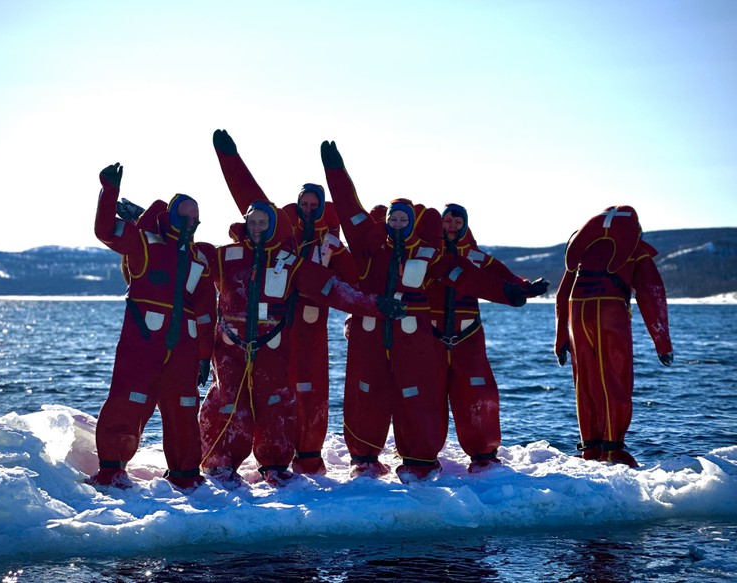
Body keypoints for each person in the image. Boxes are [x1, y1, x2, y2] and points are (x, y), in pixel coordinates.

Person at [320, 141, 529, 483]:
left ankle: (419, 460)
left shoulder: (428, 254)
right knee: (365, 392)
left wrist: (508, 292)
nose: (397, 222)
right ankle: (364, 458)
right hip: (370, 331)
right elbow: (347, 207)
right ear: (386, 221)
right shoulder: (369, 246)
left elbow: (465, 276)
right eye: (393, 218)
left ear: (412, 222)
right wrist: (335, 171)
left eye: (403, 218)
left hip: (414, 335)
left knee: (416, 395)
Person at [197, 198, 406, 488]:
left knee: (275, 402)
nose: (257, 228)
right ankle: (220, 465)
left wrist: (375, 305)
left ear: (273, 225)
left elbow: (331, 288)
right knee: (228, 402)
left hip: (271, 345)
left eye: (263, 223)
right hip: (229, 347)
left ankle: (274, 465)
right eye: (252, 222)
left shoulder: (288, 262)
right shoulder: (225, 256)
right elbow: (184, 259)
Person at [211, 130, 360, 475]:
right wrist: (229, 158)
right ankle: (271, 454)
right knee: (277, 390)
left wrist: (362, 303)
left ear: (321, 207)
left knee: (312, 389)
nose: (308, 209)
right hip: (278, 326)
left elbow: (351, 280)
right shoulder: (283, 232)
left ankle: (308, 455)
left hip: (313, 326)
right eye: (304, 204)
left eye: (314, 205)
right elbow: (250, 198)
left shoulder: (330, 242)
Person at [89, 163, 216, 491]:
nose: (189, 223)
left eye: (194, 218)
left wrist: (205, 355)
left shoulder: (199, 259)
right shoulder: (144, 243)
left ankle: (186, 474)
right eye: (184, 216)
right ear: (171, 216)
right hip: (142, 342)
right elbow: (105, 230)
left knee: (184, 408)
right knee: (127, 402)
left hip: (184, 349)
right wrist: (109, 192)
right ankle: (112, 470)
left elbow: (206, 312)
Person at [428, 203, 549, 473]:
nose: (452, 227)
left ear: (465, 225)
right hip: (431, 332)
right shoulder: (428, 252)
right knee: (427, 394)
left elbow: (502, 276)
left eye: (458, 222)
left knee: (478, 392)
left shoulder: (475, 255)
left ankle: (484, 454)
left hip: (468, 332)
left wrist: (526, 287)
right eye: (448, 221)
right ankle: (421, 456)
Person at [554, 205, 673, 467]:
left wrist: (561, 338)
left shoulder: (583, 249)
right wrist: (663, 344)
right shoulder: (636, 251)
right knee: (616, 378)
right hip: (610, 311)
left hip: (577, 310)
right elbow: (652, 295)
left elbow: (562, 294)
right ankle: (611, 448)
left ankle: (590, 447)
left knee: (585, 380)